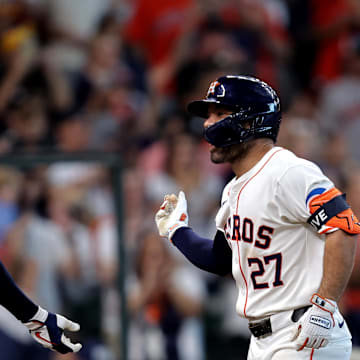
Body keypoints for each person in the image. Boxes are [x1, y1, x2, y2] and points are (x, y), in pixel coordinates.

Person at [155, 75, 359, 359]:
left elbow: (344, 227)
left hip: (302, 332)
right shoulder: (232, 190)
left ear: (250, 122)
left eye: (219, 113)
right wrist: (177, 231)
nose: (207, 123)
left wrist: (324, 306)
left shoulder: (289, 171)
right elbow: (220, 259)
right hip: (263, 340)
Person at [0, 259, 82, 355]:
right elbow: (24, 333)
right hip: (10, 343)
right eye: (30, 274)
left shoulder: (34, 297)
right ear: (22, 275)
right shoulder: (16, 295)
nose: (34, 279)